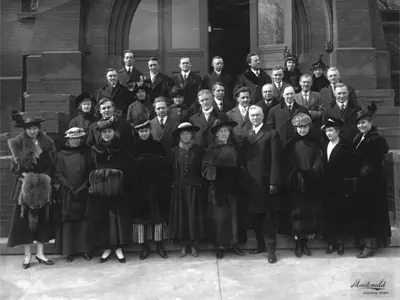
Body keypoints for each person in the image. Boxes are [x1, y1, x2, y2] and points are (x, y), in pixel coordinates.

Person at [7, 112, 56, 269]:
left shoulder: (45, 144)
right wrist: (24, 177)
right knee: (24, 221)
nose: (32, 131)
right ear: (25, 130)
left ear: (39, 129)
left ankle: (41, 253)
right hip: (24, 186)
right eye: (29, 129)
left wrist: (45, 178)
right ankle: (27, 255)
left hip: (42, 186)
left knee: (42, 219)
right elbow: (14, 168)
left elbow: (50, 165)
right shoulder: (18, 144)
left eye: (35, 128)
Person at [87, 118, 134, 263]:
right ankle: (106, 247)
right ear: (100, 134)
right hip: (101, 191)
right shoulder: (95, 149)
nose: (107, 134)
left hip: (118, 189)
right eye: (104, 132)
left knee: (118, 219)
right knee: (103, 219)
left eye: (109, 131)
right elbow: (91, 168)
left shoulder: (123, 147)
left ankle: (119, 247)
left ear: (114, 132)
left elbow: (129, 167)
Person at [202, 119, 247, 259]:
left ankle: (234, 244)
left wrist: (239, 175)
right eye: (221, 131)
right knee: (220, 218)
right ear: (216, 134)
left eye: (226, 131)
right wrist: (217, 174)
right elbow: (205, 169)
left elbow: (242, 165)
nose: (224, 134)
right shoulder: (211, 149)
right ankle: (220, 246)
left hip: (233, 187)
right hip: (218, 187)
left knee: (234, 216)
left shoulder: (235, 147)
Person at [241, 105, 280, 264]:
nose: (255, 118)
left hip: (265, 182)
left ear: (262, 116)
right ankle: (260, 245)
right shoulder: (246, 135)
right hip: (251, 183)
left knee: (268, 218)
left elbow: (276, 160)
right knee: (255, 216)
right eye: (252, 115)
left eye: (257, 115)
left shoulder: (271, 133)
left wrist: (273, 181)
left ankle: (271, 250)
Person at [352, 103, 391, 258]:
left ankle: (371, 245)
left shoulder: (377, 138)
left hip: (373, 181)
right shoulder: (359, 137)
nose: (361, 125)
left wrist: (366, 169)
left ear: (370, 123)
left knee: (374, 212)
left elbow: (377, 158)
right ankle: (365, 242)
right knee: (365, 212)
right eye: (359, 123)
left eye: (364, 122)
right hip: (362, 181)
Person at [284, 113, 321, 258]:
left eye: (304, 127)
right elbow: (287, 162)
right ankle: (298, 244)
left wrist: (314, 170)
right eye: (299, 127)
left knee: (309, 213)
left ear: (309, 127)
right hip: (296, 183)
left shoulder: (315, 143)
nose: (302, 130)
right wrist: (295, 174)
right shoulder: (291, 143)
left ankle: (305, 243)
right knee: (297, 214)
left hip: (311, 182)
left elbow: (319, 158)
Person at [132, 118, 169, 260]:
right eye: (141, 131)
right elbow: (131, 168)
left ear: (150, 131)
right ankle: (145, 247)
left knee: (157, 216)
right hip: (140, 188)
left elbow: (164, 166)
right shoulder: (134, 147)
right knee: (142, 218)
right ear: (138, 133)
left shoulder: (157, 146)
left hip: (156, 186)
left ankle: (159, 245)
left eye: (146, 131)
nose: (144, 133)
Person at [168, 122, 207, 257]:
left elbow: (203, 169)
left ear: (192, 135)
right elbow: (170, 170)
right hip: (179, 190)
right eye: (183, 134)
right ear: (179, 136)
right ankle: (183, 245)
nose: (185, 136)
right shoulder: (174, 151)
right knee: (182, 217)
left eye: (188, 133)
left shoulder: (198, 150)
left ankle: (194, 245)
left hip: (194, 189)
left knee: (193, 217)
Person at [55, 127, 92, 262]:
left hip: (83, 190)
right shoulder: (61, 154)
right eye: (72, 139)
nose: (75, 141)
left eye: (77, 138)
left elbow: (90, 171)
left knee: (83, 221)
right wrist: (70, 188)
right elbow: (58, 173)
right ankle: (69, 251)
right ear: (68, 139)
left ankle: (84, 250)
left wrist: (83, 186)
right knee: (69, 222)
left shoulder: (86, 153)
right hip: (67, 192)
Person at [320, 118, 355, 256]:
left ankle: (340, 243)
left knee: (340, 214)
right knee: (328, 214)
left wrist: (347, 184)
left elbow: (350, 167)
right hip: (327, 186)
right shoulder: (325, 145)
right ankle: (330, 242)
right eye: (327, 131)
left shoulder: (345, 146)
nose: (329, 133)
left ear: (337, 131)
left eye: (331, 130)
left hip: (340, 186)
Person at [294, 74, 324, 139]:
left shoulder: (317, 96)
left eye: (308, 82)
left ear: (311, 84)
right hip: (299, 129)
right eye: (304, 82)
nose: (306, 84)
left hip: (314, 128)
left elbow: (322, 112)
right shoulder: (295, 97)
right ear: (300, 83)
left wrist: (309, 113)